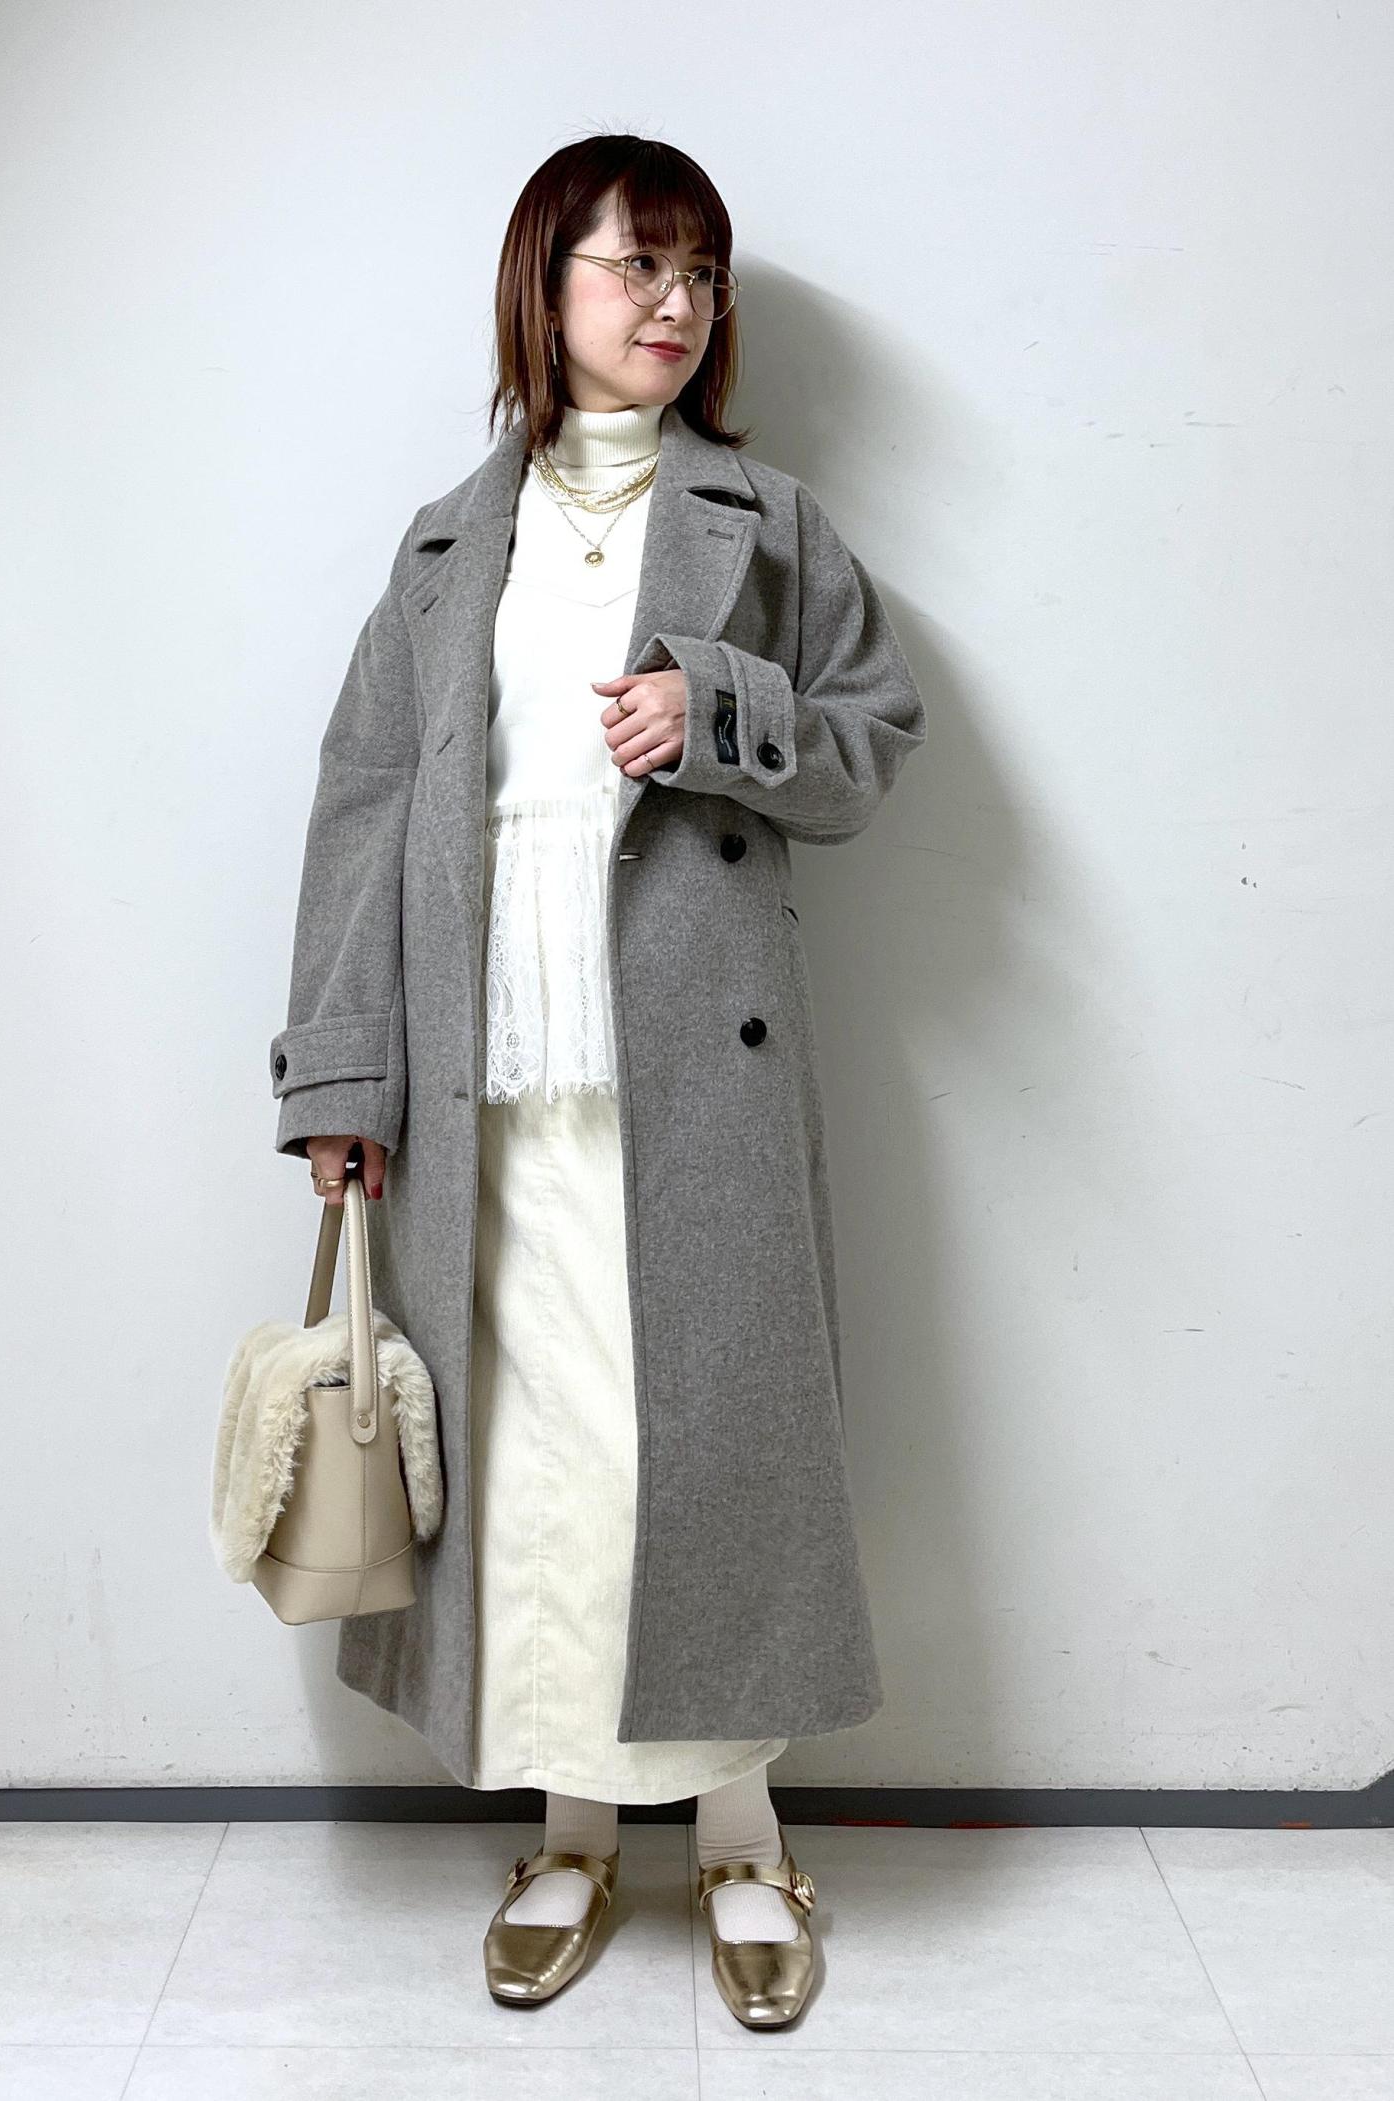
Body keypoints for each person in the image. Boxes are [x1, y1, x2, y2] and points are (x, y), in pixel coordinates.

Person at [271, 132, 927, 2027]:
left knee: (695, 1450)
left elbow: (876, 741)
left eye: (698, 272)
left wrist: (718, 709)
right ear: (542, 283)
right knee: (531, 1461)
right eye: (635, 263)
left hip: (693, 1075)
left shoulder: (767, 523)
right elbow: (364, 815)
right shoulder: (444, 545)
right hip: (486, 1082)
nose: (673, 302)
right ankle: (568, 1828)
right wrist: (344, 1074)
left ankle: (737, 1832)